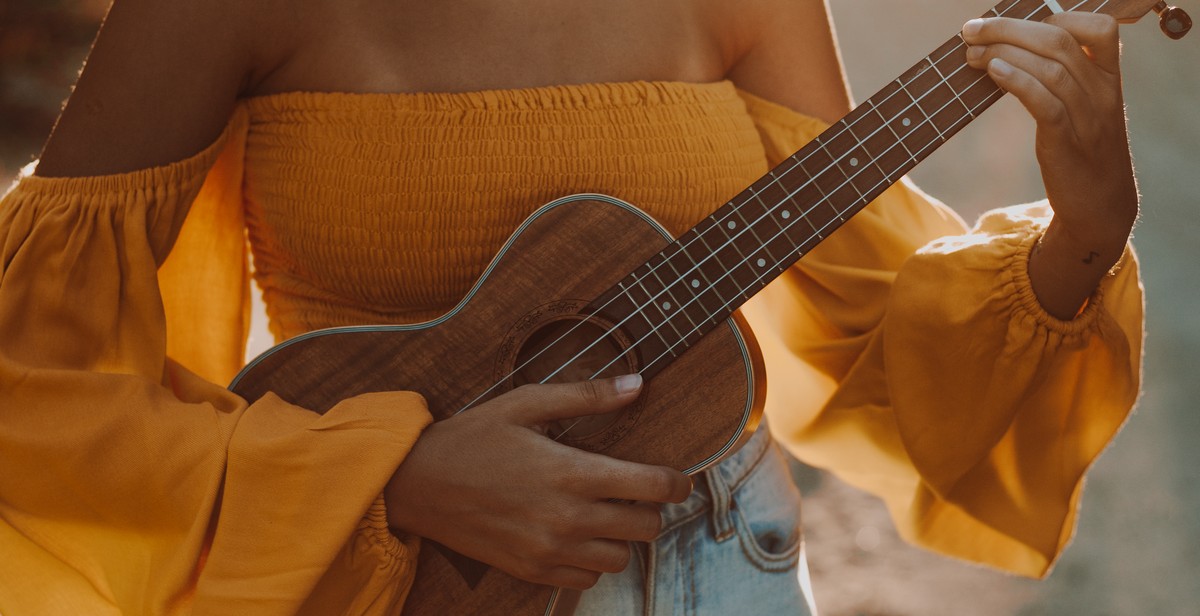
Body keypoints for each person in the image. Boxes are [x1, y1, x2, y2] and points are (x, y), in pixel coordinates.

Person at [0, 0, 1143, 613]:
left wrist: (1084, 233)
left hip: (717, 571)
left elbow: (875, 340)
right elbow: (28, 403)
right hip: (400, 591)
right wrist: (388, 478)